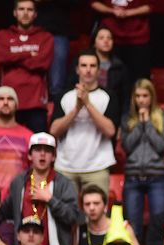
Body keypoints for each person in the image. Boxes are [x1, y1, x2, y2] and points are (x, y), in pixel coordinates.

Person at [0, 132, 82, 245]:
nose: (42, 154)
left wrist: (50, 200)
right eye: (38, 149)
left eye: (48, 151)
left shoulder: (64, 184)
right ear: (29, 155)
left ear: (54, 156)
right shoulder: (19, 182)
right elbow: (4, 211)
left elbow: (73, 217)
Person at [48, 50, 116, 195]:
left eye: (92, 66)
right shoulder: (64, 96)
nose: (88, 70)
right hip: (66, 166)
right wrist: (76, 109)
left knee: (96, 215)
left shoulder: (108, 96)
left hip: (98, 167)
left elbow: (110, 131)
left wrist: (88, 104)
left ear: (99, 70)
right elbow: (53, 131)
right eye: (84, 65)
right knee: (65, 215)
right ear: (77, 69)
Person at [119, 79, 164, 238]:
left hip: (157, 177)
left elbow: (161, 145)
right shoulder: (127, 118)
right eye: (137, 96)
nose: (141, 100)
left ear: (152, 97)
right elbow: (127, 145)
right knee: (132, 226)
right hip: (133, 177)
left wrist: (148, 123)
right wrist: (139, 125)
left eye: (145, 96)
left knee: (159, 223)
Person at [0, 1, 53, 134]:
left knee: (37, 147)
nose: (25, 13)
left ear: (35, 14)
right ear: (15, 13)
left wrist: (13, 57)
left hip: (36, 103)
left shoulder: (45, 37)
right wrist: (27, 54)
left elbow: (42, 63)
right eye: (21, 9)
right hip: (9, 101)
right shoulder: (2, 36)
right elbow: (0, 58)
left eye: (29, 10)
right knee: (9, 147)